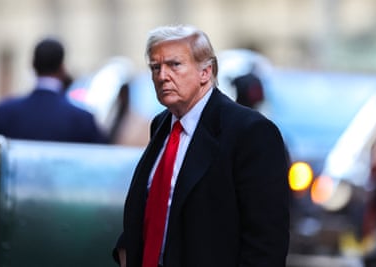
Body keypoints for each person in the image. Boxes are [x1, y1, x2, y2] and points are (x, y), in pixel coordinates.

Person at [113, 25, 290, 267]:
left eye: (174, 65)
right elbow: (153, 207)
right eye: (155, 67)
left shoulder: (251, 132)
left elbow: (266, 242)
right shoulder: (162, 124)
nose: (162, 75)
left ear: (206, 72)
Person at [0, 37, 108, 242]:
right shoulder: (82, 119)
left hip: (12, 228)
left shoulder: (5, 112)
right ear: (62, 67)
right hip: (66, 228)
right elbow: (103, 175)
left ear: (33, 65)